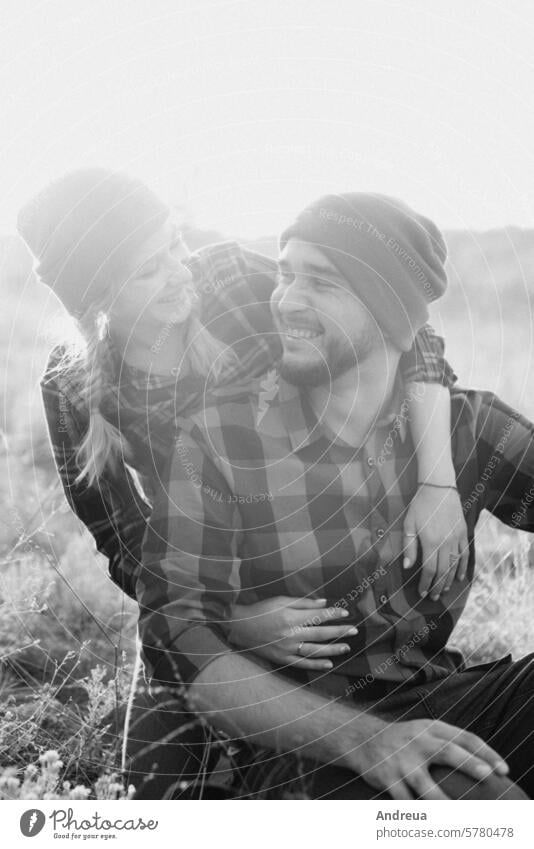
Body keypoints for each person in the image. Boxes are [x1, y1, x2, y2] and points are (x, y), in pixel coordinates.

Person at [18, 170, 462, 798]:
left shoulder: (230, 280)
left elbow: (404, 329)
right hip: (202, 585)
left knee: (361, 741)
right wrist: (234, 622)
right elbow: (122, 540)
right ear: (99, 301)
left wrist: (438, 484)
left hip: (317, 551)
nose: (180, 270)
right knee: (154, 796)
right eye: (150, 269)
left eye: (175, 243)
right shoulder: (71, 388)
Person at [137, 192, 534, 800]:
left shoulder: (465, 429)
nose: (287, 300)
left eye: (320, 283)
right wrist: (366, 740)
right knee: (484, 811)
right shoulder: (223, 438)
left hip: (440, 698)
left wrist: (439, 482)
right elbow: (175, 638)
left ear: (389, 316)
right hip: (298, 741)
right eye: (286, 274)